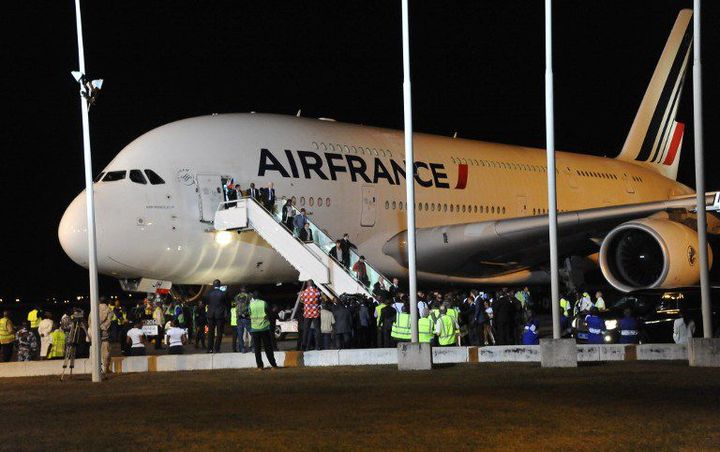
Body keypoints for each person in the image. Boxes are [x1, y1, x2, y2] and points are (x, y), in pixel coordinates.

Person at [248, 293, 278, 369]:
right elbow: (269, 312)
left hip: (254, 328)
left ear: (253, 298)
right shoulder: (264, 303)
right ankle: (273, 365)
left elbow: (249, 313)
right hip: (264, 328)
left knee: (257, 349)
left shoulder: (250, 304)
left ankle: (260, 366)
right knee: (268, 347)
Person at [88, 297, 112, 374]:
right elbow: (109, 322)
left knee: (95, 350)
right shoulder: (109, 310)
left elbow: (89, 321)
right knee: (105, 351)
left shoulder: (94, 309)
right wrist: (103, 327)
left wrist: (93, 328)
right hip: (104, 333)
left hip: (94, 332)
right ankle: (106, 368)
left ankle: (95, 368)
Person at [205, 279, 228, 353]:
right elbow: (226, 304)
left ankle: (209, 349)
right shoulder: (223, 294)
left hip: (211, 315)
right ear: (219, 285)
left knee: (210, 333)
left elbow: (207, 302)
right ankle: (217, 348)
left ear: (213, 285)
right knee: (219, 333)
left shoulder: (209, 294)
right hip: (219, 315)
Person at [301, 280, 322, 350]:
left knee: (306, 330)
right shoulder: (317, 292)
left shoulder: (304, 293)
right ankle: (318, 346)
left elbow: (302, 301)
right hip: (315, 313)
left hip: (307, 313)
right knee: (317, 329)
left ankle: (304, 346)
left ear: (307, 284)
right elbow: (319, 301)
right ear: (313, 284)